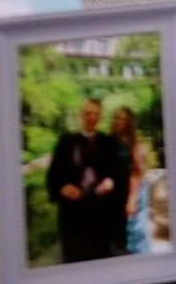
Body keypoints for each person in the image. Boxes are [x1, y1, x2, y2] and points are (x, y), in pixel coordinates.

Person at [44, 99, 127, 263]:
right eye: (88, 113)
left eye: (95, 113)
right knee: (74, 258)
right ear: (81, 115)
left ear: (100, 116)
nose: (91, 117)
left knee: (101, 258)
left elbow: (118, 172)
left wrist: (110, 181)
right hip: (72, 213)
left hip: (100, 212)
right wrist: (62, 187)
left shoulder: (108, 142)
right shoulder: (66, 141)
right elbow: (53, 173)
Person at [111, 104, 150, 255]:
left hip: (134, 193)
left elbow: (136, 172)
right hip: (119, 194)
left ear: (129, 123)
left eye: (123, 119)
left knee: (136, 234)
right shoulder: (112, 141)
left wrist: (132, 199)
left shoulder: (134, 144)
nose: (118, 121)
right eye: (116, 117)